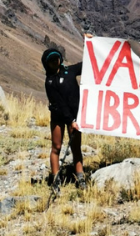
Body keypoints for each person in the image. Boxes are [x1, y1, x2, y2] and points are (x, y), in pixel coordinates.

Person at [42, 35, 92, 189]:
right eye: (51, 60)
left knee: (76, 148)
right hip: (60, 117)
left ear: (60, 59)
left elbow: (89, 64)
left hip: (75, 117)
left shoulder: (70, 71)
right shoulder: (49, 82)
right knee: (56, 147)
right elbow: (60, 104)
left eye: (56, 58)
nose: (54, 61)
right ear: (46, 64)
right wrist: (71, 120)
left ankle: (80, 177)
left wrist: (89, 43)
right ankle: (55, 179)